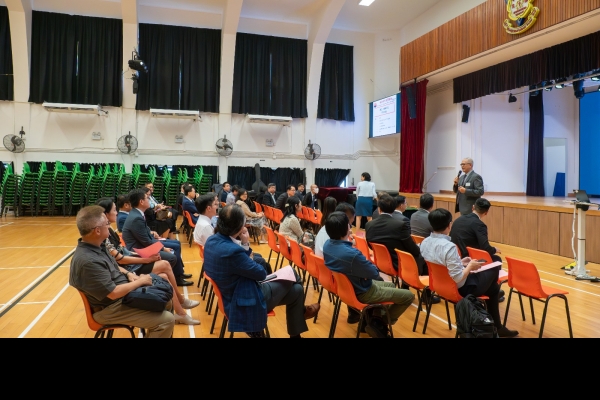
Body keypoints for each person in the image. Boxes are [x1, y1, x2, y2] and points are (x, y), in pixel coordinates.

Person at [203, 205, 320, 338]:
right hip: (245, 298)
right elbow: (260, 273)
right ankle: (302, 312)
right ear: (240, 226)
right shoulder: (232, 251)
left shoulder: (212, 240)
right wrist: (245, 244)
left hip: (231, 293)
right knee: (293, 273)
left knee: (297, 290)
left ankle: (296, 333)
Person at [69, 205, 175, 338]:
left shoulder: (98, 245)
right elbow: (113, 293)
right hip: (110, 308)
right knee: (166, 320)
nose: (109, 226)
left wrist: (128, 274)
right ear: (97, 231)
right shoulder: (88, 261)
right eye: (107, 223)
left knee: (165, 298)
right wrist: (140, 281)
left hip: (121, 297)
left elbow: (114, 267)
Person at [96, 197, 200, 325]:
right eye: (114, 210)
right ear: (105, 215)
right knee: (165, 264)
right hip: (126, 270)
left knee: (164, 275)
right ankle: (181, 302)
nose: (117, 212)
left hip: (127, 265)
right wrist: (146, 259)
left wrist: (141, 255)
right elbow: (120, 259)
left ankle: (179, 312)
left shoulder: (110, 230)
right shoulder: (104, 237)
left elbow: (122, 252)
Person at [419, 208, 518, 337]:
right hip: (459, 288)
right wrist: (470, 266)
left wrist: (460, 262)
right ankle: (495, 326)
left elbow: (440, 264)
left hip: (439, 286)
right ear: (449, 225)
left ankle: (496, 325)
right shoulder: (449, 246)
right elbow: (458, 277)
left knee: (493, 289)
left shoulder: (425, 242)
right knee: (494, 268)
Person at [323, 211, 415, 338]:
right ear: (347, 228)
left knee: (391, 285)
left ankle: (370, 321)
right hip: (363, 291)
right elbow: (374, 272)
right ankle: (380, 323)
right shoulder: (352, 255)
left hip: (347, 290)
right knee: (408, 296)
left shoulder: (327, 245)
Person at [365, 195, 439, 303]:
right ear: (394, 208)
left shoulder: (369, 224)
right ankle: (426, 296)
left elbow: (370, 245)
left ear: (379, 209)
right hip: (398, 262)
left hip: (381, 262)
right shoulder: (400, 225)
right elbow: (411, 247)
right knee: (422, 257)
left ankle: (406, 288)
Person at [122, 188, 192, 286]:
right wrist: (163, 248)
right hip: (140, 250)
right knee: (172, 257)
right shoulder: (136, 217)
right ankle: (174, 278)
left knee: (176, 244)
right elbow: (146, 242)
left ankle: (178, 274)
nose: (149, 200)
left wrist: (152, 233)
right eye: (147, 198)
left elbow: (144, 234)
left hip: (145, 244)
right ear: (141, 202)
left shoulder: (137, 213)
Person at [449, 198, 502, 264]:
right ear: (486, 213)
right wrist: (494, 249)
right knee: (497, 259)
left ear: (473, 207)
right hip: (469, 259)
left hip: (454, 255)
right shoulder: (480, 225)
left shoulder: (458, 219)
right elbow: (486, 248)